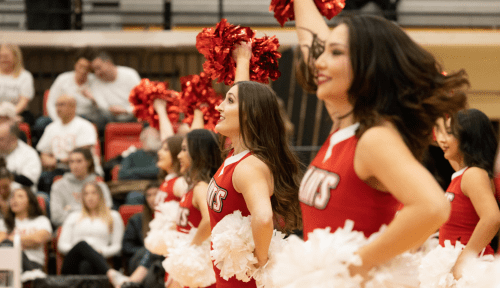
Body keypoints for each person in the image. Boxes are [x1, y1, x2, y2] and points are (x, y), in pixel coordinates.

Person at [292, 0, 469, 280]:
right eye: (324, 51)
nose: (320, 62)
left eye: (335, 52)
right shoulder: (343, 125)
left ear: (368, 67)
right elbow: (312, 44)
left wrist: (358, 265)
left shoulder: (374, 138)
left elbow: (433, 207)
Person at [206, 43, 303, 287]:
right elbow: (244, 96)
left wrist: (260, 261)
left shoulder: (249, 167)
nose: (219, 107)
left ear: (249, 114)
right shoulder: (234, 154)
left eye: (228, 101)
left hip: (244, 279)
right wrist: (243, 61)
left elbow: (262, 217)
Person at [434, 109, 500, 279]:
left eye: (449, 133)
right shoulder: (461, 174)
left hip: (471, 268)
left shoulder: (474, 174)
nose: (442, 139)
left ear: (468, 137)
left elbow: (492, 218)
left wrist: (464, 259)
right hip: (452, 262)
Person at [57, 182, 126, 286]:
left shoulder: (113, 216)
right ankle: (111, 274)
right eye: (86, 194)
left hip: (99, 261)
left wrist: (100, 252)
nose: (90, 197)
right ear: (82, 197)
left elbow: (117, 246)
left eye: (94, 193)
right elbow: (62, 245)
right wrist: (84, 251)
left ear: (101, 196)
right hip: (72, 261)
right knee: (82, 245)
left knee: (86, 265)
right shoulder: (73, 216)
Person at [36, 94, 103, 193]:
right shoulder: (51, 128)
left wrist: (57, 161)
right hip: (58, 169)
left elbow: (82, 155)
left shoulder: (85, 126)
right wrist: (58, 162)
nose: (58, 108)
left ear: (73, 107)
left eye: (62, 105)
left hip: (85, 171)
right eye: (56, 105)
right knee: (43, 179)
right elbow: (44, 155)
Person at [33, 48, 99, 147]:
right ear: (75, 65)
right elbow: (50, 103)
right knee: (40, 123)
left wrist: (93, 99)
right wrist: (59, 121)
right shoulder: (63, 79)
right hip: (60, 117)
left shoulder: (95, 81)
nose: (82, 70)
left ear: (90, 69)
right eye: (80, 66)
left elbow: (100, 108)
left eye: (86, 68)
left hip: (83, 118)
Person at [50, 147, 112, 227]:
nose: (75, 166)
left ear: (88, 162)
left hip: (96, 227)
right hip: (69, 228)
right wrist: (90, 211)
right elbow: (56, 217)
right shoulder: (58, 186)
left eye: (79, 161)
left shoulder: (100, 186)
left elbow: (106, 212)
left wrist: (71, 209)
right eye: (71, 162)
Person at [83, 50, 140, 135]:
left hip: (133, 116)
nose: (97, 72)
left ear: (108, 63)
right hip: (109, 118)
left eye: (99, 68)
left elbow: (141, 101)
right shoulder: (96, 82)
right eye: (94, 70)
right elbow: (102, 106)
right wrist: (93, 100)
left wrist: (126, 111)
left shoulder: (129, 74)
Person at [0, 187, 52, 272]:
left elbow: (38, 239)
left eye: (20, 196)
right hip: (8, 263)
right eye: (12, 197)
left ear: (30, 201)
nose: (14, 200)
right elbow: (2, 242)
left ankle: (31, 272)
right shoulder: (4, 222)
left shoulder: (41, 220)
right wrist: (25, 241)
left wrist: (11, 239)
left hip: (33, 262)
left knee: (9, 244)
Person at [122, 182, 159, 274]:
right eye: (149, 195)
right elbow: (127, 247)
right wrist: (147, 251)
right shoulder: (136, 219)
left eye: (155, 194)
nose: (152, 199)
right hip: (141, 259)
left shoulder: (170, 218)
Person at [0, 122, 42, 193]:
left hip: (21, 195)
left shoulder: (29, 154)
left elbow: (29, 181)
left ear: (13, 139)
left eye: (1, 139)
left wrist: (8, 175)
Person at [0, 44, 35, 126]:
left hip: (20, 113)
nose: (2, 59)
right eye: (0, 56)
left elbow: (23, 101)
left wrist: (10, 115)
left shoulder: (25, 76)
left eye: (6, 57)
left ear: (16, 57)